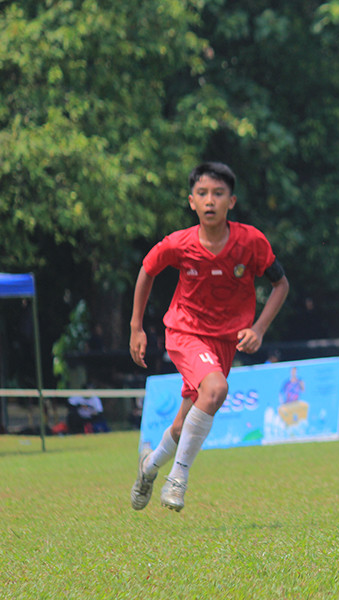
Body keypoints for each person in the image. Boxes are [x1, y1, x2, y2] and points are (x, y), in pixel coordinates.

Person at [128, 161, 289, 512]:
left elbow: (281, 283)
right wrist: (136, 327)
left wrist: (258, 328)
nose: (210, 200)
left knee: (184, 422)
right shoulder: (179, 243)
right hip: (184, 333)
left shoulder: (251, 242)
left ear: (232, 201)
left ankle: (149, 467)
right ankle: (178, 478)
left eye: (218, 193)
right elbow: (146, 269)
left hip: (224, 342)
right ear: (191, 201)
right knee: (215, 390)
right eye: (202, 193)